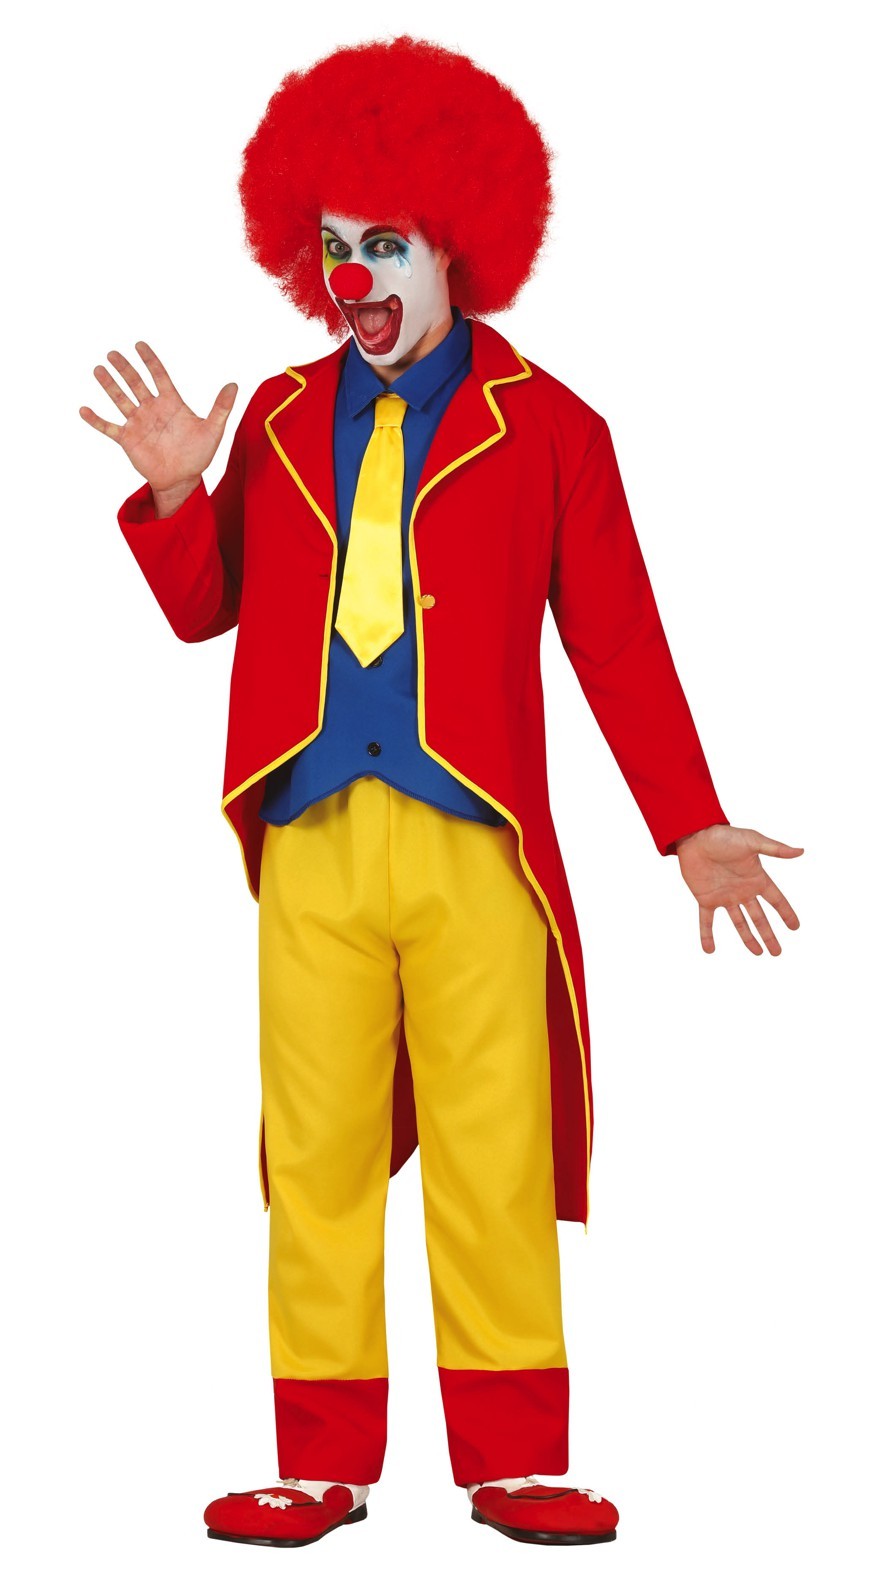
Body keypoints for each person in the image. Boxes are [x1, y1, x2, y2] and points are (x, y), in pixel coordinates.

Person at [79, 34, 803, 1550]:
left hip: (478, 847)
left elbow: (618, 639)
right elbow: (208, 610)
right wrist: (175, 489)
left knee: (494, 1150)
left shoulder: (555, 429)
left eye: (386, 244)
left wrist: (687, 824)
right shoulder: (280, 420)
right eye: (333, 246)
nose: (355, 275)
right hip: (310, 845)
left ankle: (516, 1458)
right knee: (314, 1156)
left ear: (458, 244)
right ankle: (321, 1459)